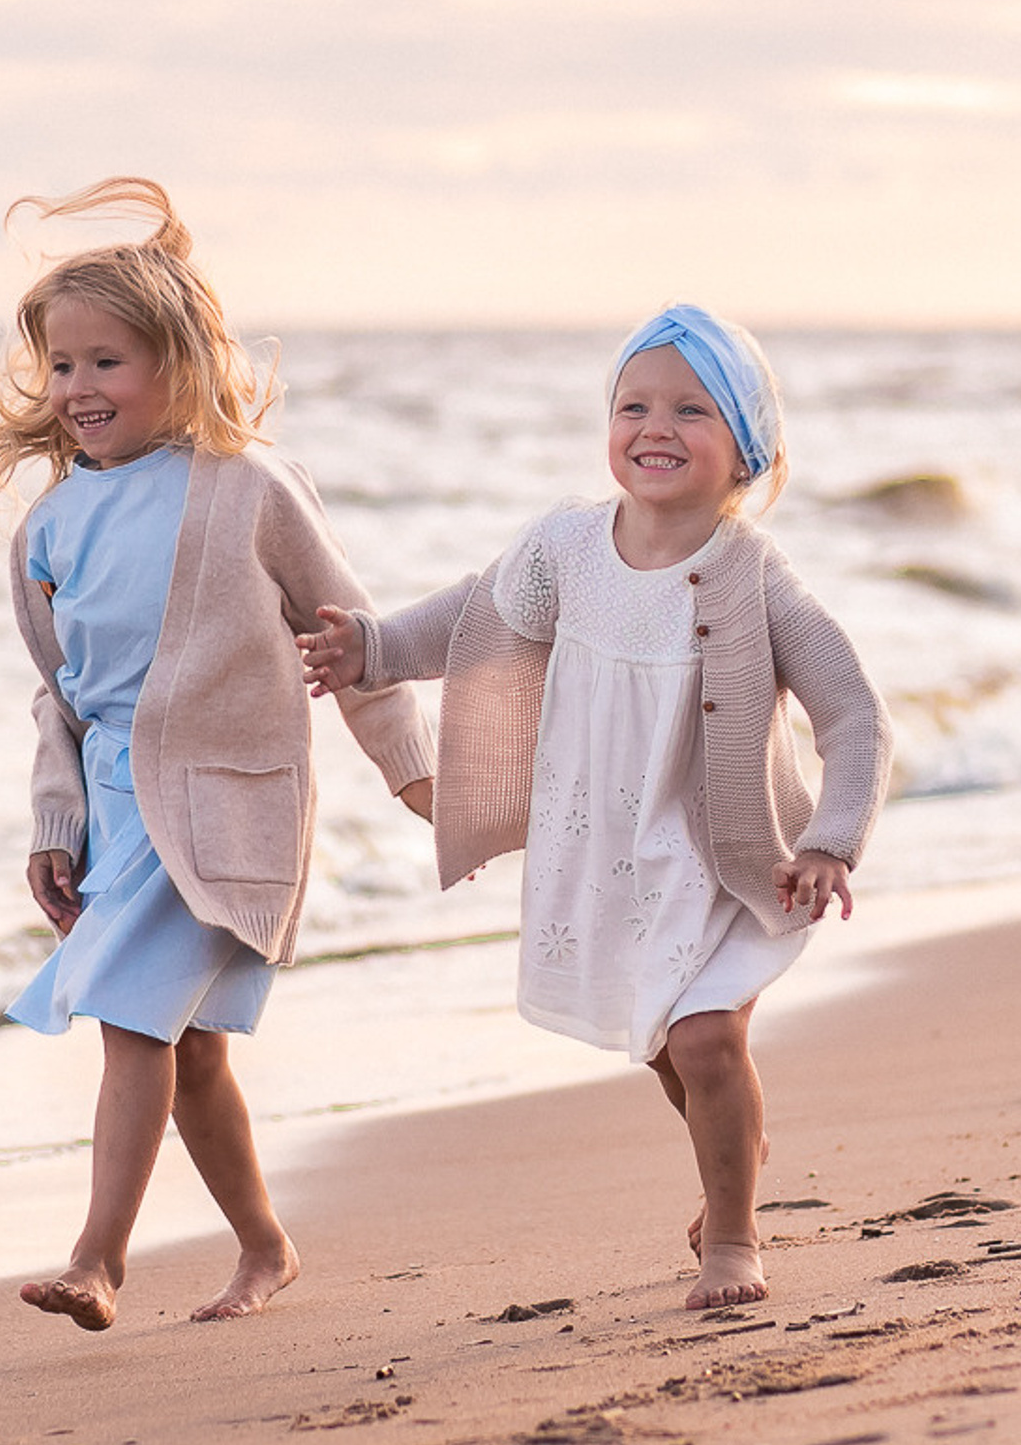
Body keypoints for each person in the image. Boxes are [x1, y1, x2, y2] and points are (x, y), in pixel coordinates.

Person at [299, 305, 890, 1311]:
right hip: (609, 855)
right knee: (666, 1037)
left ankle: (732, 1239)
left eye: (690, 410)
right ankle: (728, 1154)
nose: (655, 427)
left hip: (730, 866)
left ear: (746, 450)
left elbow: (855, 713)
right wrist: (376, 646)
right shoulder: (567, 548)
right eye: (633, 405)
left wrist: (832, 842)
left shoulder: (753, 578)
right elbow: (474, 617)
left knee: (703, 1036)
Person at [0, 178, 434, 1331]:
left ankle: (96, 1257)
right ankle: (266, 1247)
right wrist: (54, 827)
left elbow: (352, 639)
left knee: (128, 1020)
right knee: (193, 1053)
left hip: (224, 804)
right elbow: (56, 699)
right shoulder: (50, 528)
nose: (77, 389)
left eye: (105, 362)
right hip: (121, 814)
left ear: (178, 362)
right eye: (59, 367)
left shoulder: (249, 489)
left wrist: (415, 774)